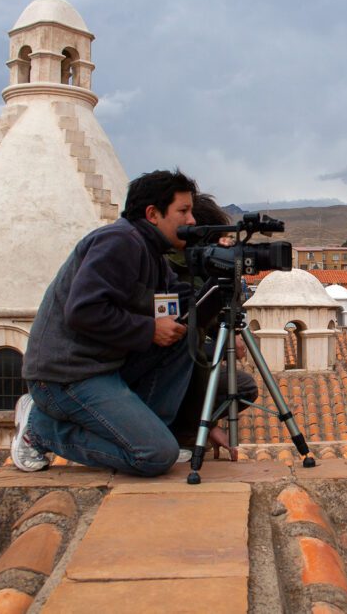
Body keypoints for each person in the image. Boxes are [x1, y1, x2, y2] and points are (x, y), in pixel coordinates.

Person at [14, 169, 228, 475]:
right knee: (154, 456)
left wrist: (219, 282)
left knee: (183, 338)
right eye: (183, 211)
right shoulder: (119, 242)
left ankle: (149, 431)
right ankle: (41, 428)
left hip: (104, 365)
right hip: (66, 377)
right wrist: (150, 330)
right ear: (153, 214)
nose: (191, 221)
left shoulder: (151, 252)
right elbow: (83, 310)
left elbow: (176, 300)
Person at [168, 193, 259, 450]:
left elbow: (213, 320)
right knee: (238, 384)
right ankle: (188, 433)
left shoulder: (197, 272)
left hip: (184, 360)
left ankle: (190, 430)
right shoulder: (174, 275)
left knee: (241, 385)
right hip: (170, 364)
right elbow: (184, 341)